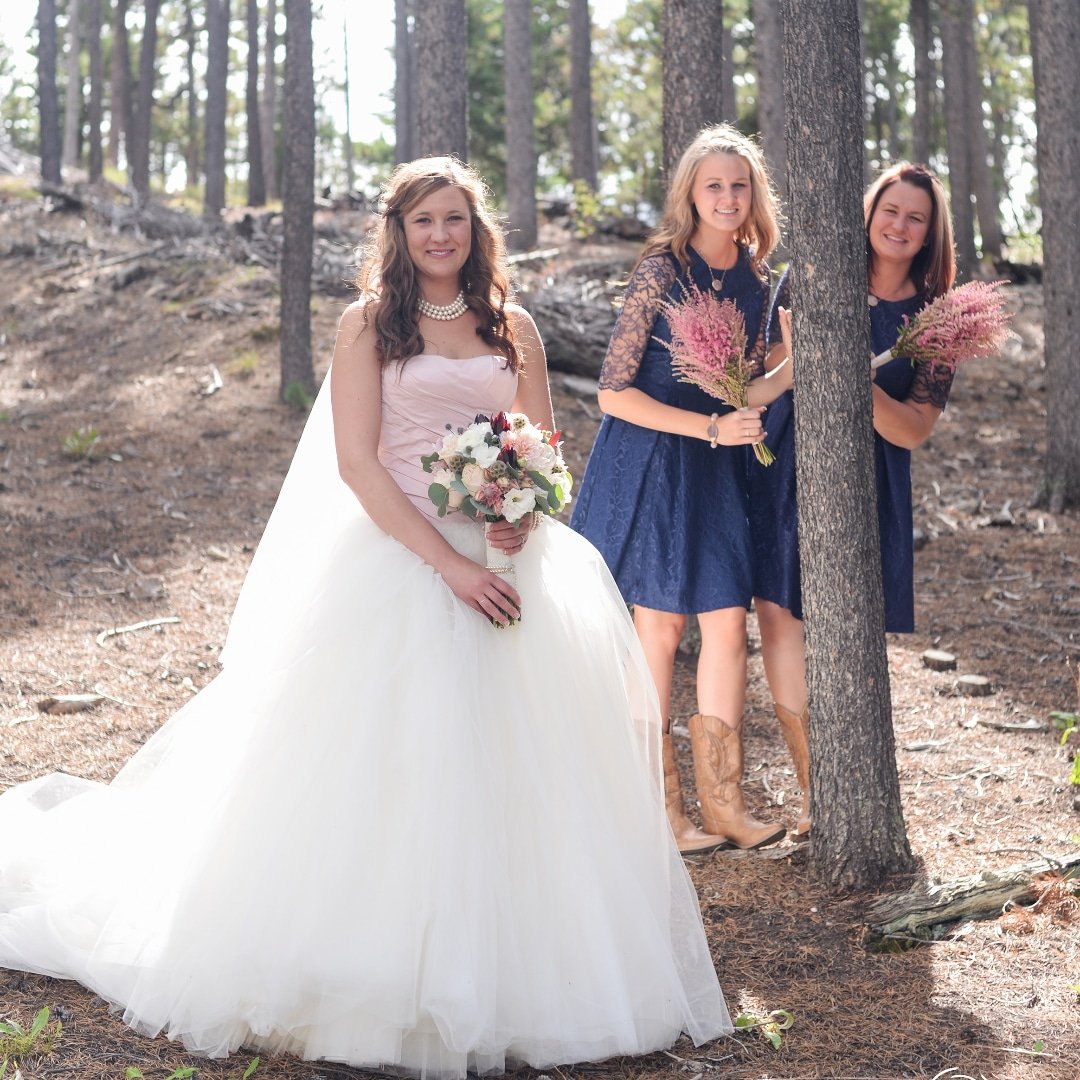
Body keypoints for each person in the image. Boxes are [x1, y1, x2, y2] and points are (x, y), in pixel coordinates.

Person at [0, 158, 731, 1076]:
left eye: (456, 219)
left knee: (520, 772)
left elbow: (539, 445)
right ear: (400, 230)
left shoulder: (516, 328)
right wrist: (447, 568)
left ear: (476, 231)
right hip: (399, 563)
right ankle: (374, 969)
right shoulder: (366, 329)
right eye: (424, 220)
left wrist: (517, 518)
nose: (440, 235)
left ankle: (522, 973)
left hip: (510, 565)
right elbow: (358, 465)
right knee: (397, 768)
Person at [570, 125, 794, 855]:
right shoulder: (662, 272)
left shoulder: (758, 281)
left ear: (754, 194)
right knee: (661, 629)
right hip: (657, 461)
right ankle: (660, 812)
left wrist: (794, 365)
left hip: (719, 468)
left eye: (740, 185)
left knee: (729, 623)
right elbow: (611, 393)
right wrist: (706, 430)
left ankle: (724, 806)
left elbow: (744, 388)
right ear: (691, 197)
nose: (729, 198)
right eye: (714, 187)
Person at [749, 161, 958, 838]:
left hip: (869, 477)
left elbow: (915, 428)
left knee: (849, 626)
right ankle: (817, 791)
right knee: (779, 616)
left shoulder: (939, 319)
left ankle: (855, 776)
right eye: (890, 210)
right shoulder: (811, 277)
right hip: (785, 457)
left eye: (915, 217)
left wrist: (843, 375)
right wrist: (795, 366)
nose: (900, 225)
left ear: (930, 234)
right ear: (868, 214)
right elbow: (769, 374)